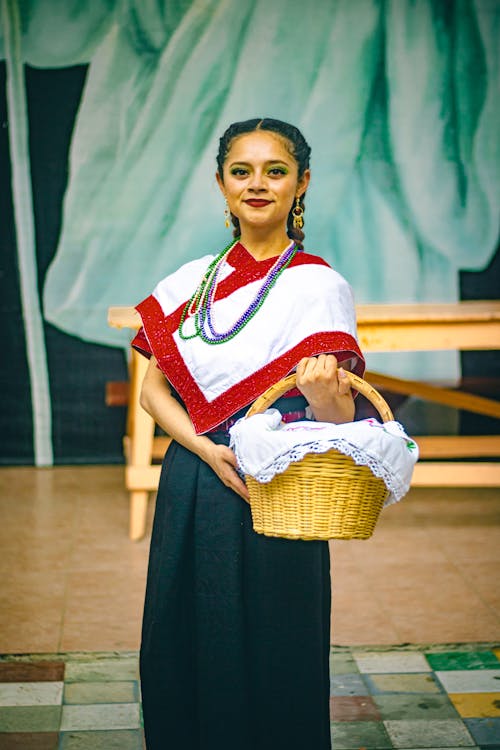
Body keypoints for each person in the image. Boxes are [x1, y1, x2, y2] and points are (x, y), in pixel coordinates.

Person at [132, 117, 365, 750]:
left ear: (302, 183)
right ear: (221, 184)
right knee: (184, 627)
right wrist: (206, 448)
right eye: (242, 171)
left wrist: (323, 396)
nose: (256, 184)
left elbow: (339, 430)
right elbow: (153, 392)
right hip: (194, 472)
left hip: (278, 482)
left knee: (278, 637)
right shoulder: (186, 284)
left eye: (275, 170)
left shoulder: (320, 287)